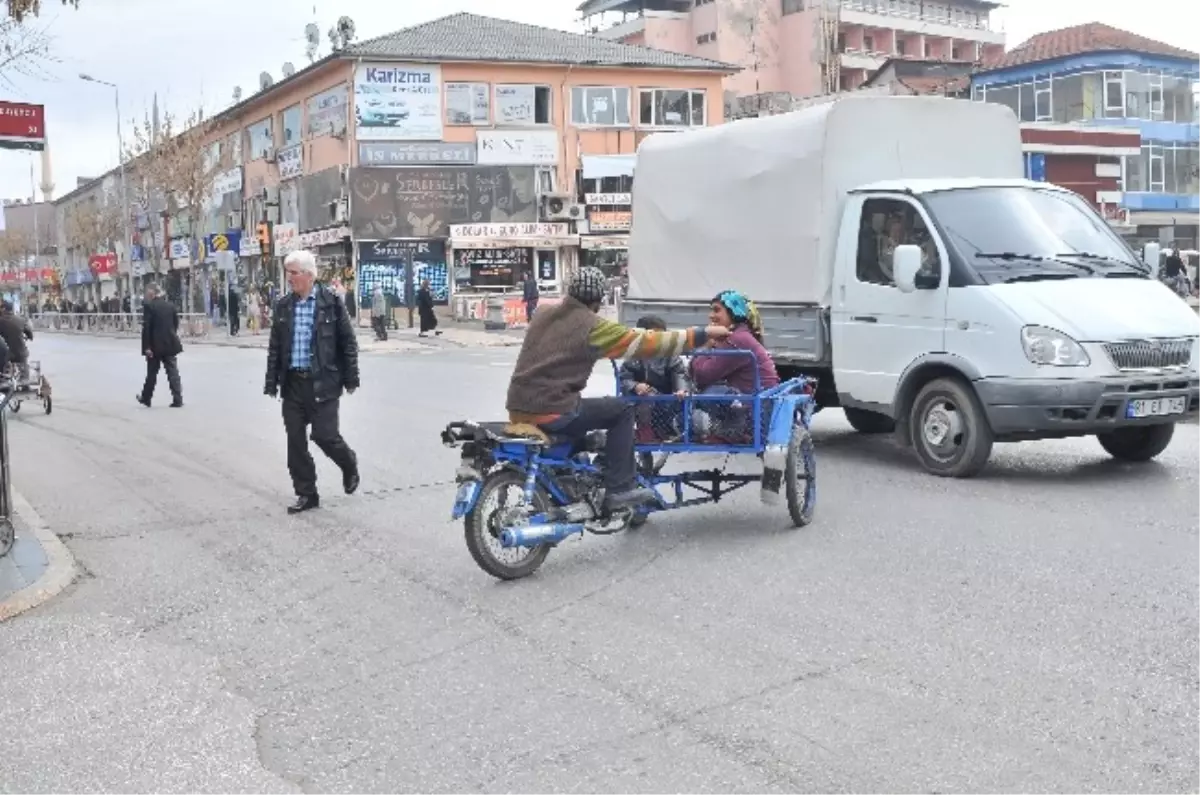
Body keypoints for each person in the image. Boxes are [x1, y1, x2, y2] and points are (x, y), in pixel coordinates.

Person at [506, 267, 729, 514]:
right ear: (599, 301)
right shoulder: (592, 326)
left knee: (587, 415)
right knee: (622, 409)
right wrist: (701, 334)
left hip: (517, 406)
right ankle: (620, 489)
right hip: (552, 408)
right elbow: (648, 341)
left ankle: (568, 477)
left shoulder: (542, 313)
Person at [263, 249, 360, 515]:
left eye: (293, 273)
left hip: (324, 381)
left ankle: (348, 462)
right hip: (293, 383)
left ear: (308, 275)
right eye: (288, 273)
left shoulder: (331, 302)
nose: (289, 278)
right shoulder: (284, 305)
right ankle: (306, 493)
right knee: (295, 441)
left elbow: (347, 343)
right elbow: (275, 347)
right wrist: (272, 381)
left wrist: (351, 378)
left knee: (324, 436)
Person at [689, 290, 779, 439]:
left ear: (733, 313)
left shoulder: (736, 339)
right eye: (711, 310)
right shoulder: (739, 335)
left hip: (755, 408)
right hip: (757, 401)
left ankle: (731, 431)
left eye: (717, 310)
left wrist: (706, 346)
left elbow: (703, 375)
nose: (711, 315)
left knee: (706, 396)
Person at [618, 315, 689, 443]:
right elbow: (624, 378)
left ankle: (671, 429)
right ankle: (645, 430)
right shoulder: (634, 355)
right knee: (645, 397)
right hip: (642, 400)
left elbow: (679, 372)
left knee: (681, 400)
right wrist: (635, 386)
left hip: (665, 399)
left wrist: (681, 389)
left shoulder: (669, 354)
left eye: (662, 337)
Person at [136, 283, 184, 408]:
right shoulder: (170, 306)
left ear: (152, 293)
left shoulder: (149, 307)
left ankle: (146, 398)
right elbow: (175, 324)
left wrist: (146, 347)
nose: (146, 295)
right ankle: (178, 399)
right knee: (173, 372)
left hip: (154, 346)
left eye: (147, 292)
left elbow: (147, 328)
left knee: (152, 373)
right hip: (169, 343)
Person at [0, 301, 32, 383]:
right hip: (20, 352)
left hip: (5, 353)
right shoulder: (20, 320)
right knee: (24, 365)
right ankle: (25, 380)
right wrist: (28, 336)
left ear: (3, 309)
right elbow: (29, 334)